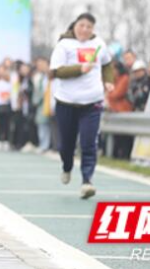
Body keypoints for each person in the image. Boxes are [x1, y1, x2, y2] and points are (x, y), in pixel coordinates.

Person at [49, 12, 114, 200]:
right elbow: (56, 71)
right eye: (81, 25)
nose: (85, 30)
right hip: (66, 102)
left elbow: (108, 64)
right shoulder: (64, 45)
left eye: (89, 27)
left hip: (92, 101)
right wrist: (80, 69)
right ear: (74, 26)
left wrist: (108, 81)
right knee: (66, 144)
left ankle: (87, 181)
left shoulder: (99, 44)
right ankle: (67, 166)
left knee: (88, 142)